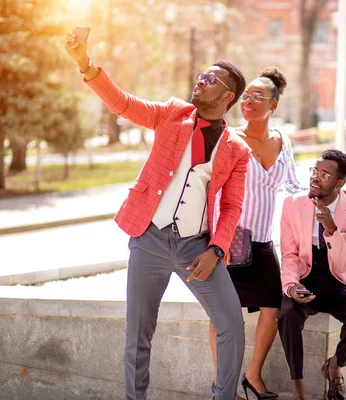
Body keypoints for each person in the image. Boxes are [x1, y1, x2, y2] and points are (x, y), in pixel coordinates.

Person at [64, 31, 250, 400]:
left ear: (227, 96)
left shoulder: (237, 149)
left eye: (210, 79)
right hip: (148, 238)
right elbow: (123, 104)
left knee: (231, 322)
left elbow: (231, 207)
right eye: (201, 75)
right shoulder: (171, 114)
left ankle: (224, 397)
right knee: (138, 333)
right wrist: (85, 64)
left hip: (196, 248)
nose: (200, 80)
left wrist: (216, 250)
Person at [207, 67, 304, 400]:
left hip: (262, 242)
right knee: (222, 312)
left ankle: (252, 374)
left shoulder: (282, 140)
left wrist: (329, 194)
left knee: (272, 307)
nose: (247, 101)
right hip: (229, 242)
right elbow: (214, 187)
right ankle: (224, 385)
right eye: (245, 96)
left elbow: (293, 184)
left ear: (273, 105)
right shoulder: (229, 137)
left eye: (256, 96)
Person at [278, 150, 346, 400]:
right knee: (286, 314)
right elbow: (289, 254)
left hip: (335, 282)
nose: (315, 178)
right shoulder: (293, 204)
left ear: (340, 182)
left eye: (324, 174)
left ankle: (335, 366)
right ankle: (298, 387)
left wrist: (331, 229)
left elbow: (344, 265)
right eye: (314, 171)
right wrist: (290, 286)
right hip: (303, 279)